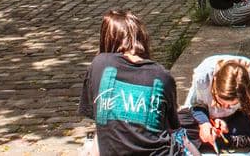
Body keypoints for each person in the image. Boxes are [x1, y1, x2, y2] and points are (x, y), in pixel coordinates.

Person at [79, 9, 198, 155]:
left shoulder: (99, 65)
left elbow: (102, 126)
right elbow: (175, 130)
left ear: (106, 39)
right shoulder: (161, 76)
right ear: (142, 38)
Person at [179, 55, 250, 151]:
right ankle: (236, 141)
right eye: (220, 102)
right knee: (176, 122)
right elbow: (196, 106)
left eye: (232, 104)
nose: (226, 107)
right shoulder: (203, 76)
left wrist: (226, 121)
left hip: (236, 118)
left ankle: (217, 141)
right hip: (208, 117)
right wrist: (205, 123)